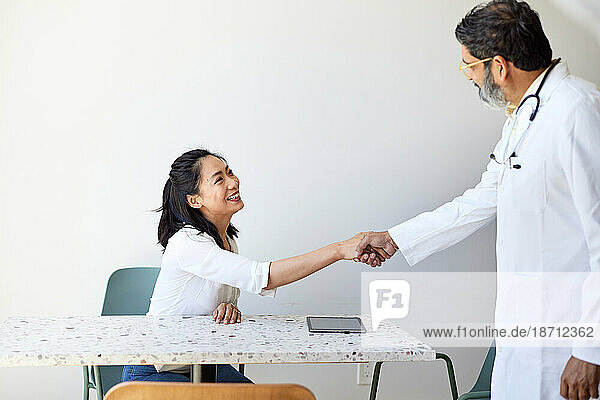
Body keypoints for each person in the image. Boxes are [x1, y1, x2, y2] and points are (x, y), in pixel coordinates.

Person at [355, 1, 600, 399]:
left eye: (469, 66)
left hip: (569, 341)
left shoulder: (579, 111)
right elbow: (481, 200)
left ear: (499, 66)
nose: (468, 76)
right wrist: (395, 238)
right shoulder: (524, 118)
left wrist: (591, 349)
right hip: (522, 333)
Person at [122, 148, 382, 384]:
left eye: (229, 172)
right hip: (155, 370)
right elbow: (261, 277)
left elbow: (210, 295)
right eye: (219, 179)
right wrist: (337, 250)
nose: (233, 182)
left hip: (204, 364)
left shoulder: (227, 241)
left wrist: (224, 307)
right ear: (194, 200)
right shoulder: (188, 243)